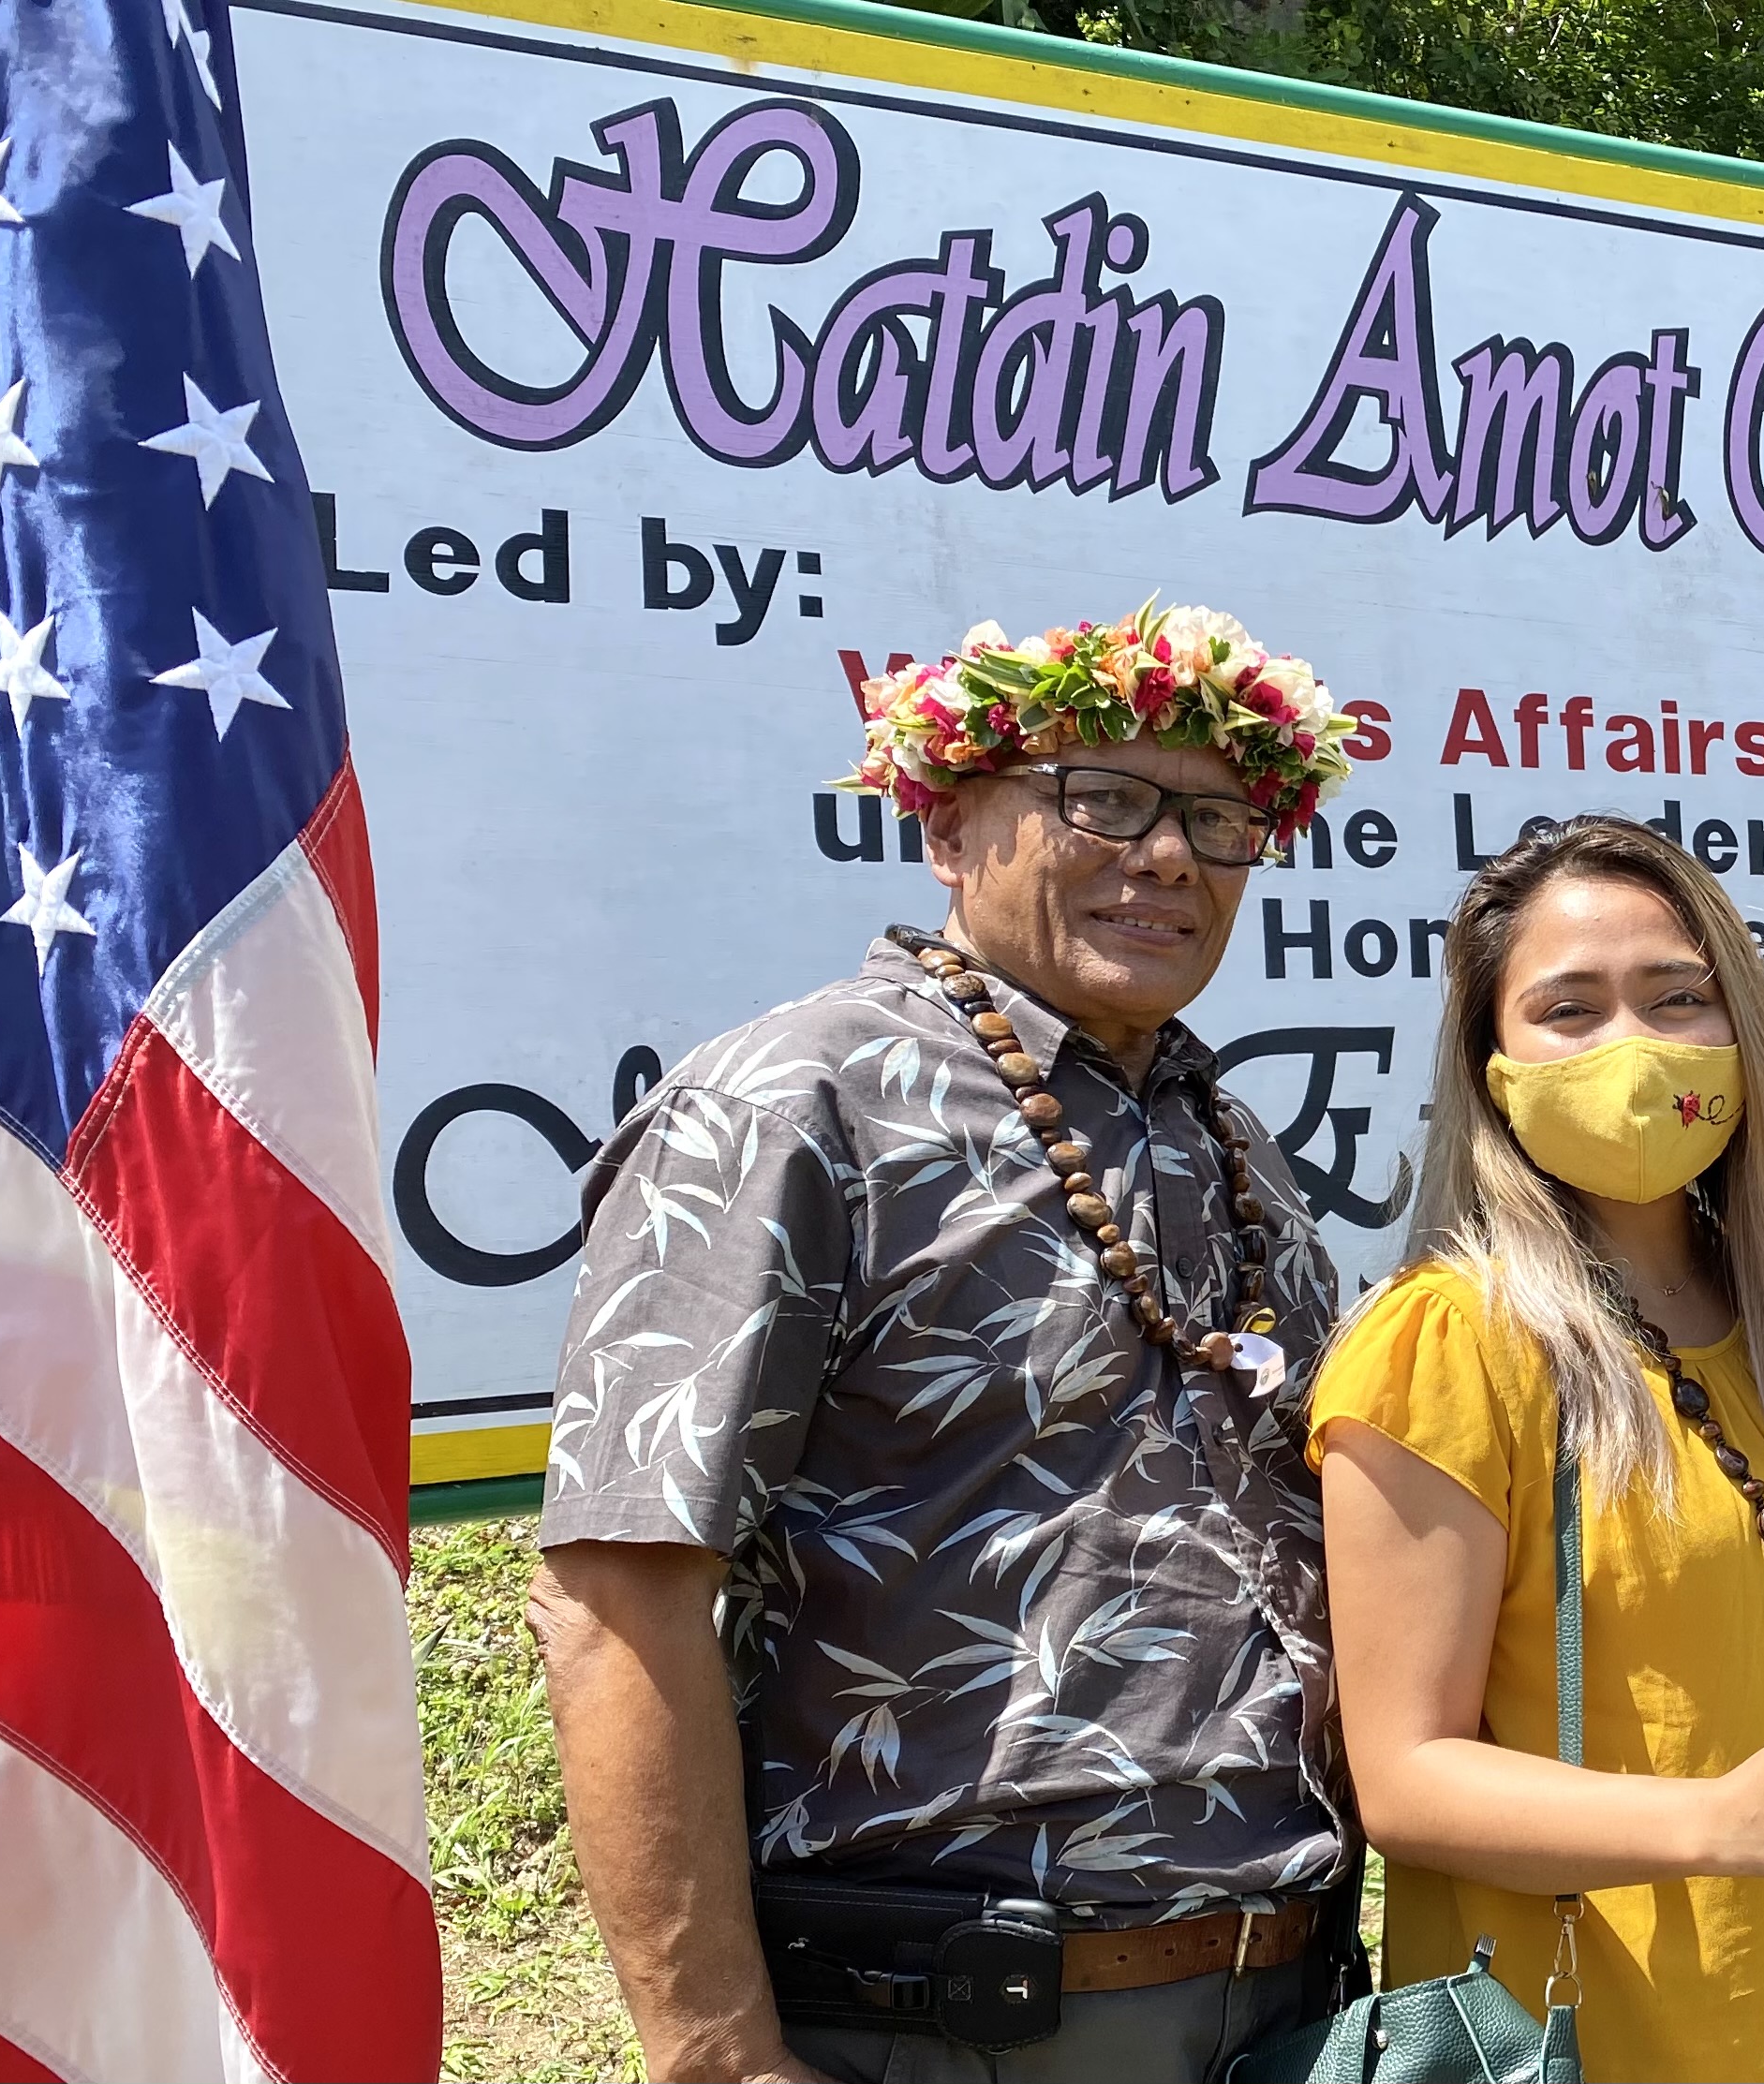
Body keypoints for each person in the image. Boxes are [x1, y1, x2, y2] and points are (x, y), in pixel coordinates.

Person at [527, 602, 1364, 2084]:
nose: (1166, 856)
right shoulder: (797, 1104)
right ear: (951, 824)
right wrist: (713, 2055)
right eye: (1102, 799)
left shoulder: (1229, 1142)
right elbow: (617, 1585)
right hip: (946, 2018)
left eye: (1219, 819)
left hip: (1280, 2005)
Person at [1312, 815, 1764, 2084]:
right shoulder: (1445, 1342)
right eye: (1569, 1009)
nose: (1635, 1047)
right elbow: (1405, 1777)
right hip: (1588, 2044)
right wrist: (1718, 1818)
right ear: (1493, 1064)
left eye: (1677, 996)